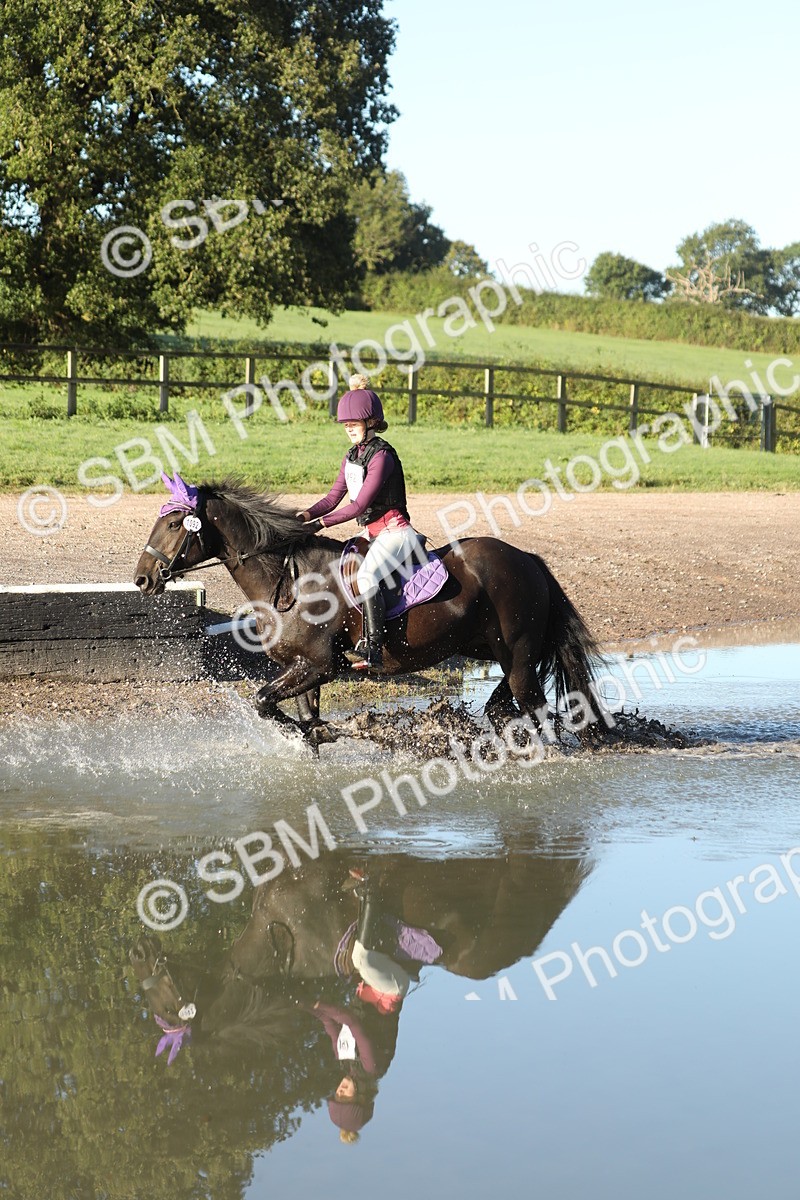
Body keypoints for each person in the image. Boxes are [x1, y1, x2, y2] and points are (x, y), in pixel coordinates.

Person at [297, 374, 425, 672]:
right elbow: (332, 498)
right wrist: (305, 515)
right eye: (346, 424)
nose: (349, 428)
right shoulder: (352, 456)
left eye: (354, 423)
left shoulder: (382, 456)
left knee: (366, 576)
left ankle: (374, 648)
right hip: (371, 534)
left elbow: (359, 505)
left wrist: (321, 525)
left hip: (395, 533)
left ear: (371, 423)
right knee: (341, 573)